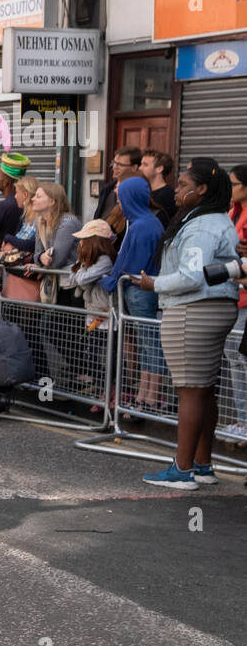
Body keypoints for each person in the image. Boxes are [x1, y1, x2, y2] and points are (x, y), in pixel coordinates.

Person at [133, 159, 238, 489]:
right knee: (204, 390)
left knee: (190, 391)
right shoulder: (216, 220)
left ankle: (182, 470)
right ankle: (202, 465)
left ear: (202, 189)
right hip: (213, 307)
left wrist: (155, 285)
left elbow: (192, 276)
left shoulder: (202, 225)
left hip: (194, 309)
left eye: (181, 185)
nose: (175, 191)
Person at [100, 177, 165, 413]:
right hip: (137, 290)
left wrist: (108, 279)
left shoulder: (143, 225)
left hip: (139, 291)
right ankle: (144, 394)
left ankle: (150, 395)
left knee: (149, 343)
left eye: (121, 196)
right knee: (147, 343)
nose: (119, 200)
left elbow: (132, 264)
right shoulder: (143, 222)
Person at [62, 220, 117, 411]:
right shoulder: (87, 261)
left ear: (94, 242)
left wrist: (81, 271)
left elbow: (80, 278)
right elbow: (71, 275)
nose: (80, 244)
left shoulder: (104, 261)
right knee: (92, 354)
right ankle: (103, 391)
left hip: (106, 317)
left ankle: (110, 393)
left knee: (107, 357)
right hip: (92, 314)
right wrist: (81, 270)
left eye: (84, 240)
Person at [222, 165, 247, 442]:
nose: (230, 189)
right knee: (235, 359)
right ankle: (242, 420)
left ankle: (244, 421)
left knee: (240, 359)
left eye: (235, 184)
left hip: (244, 296)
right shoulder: (232, 211)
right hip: (232, 294)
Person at [30, 182, 82, 303]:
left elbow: (56, 261)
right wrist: (41, 257)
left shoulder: (68, 223)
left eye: (38, 196)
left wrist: (41, 261)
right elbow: (37, 254)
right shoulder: (40, 222)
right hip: (54, 284)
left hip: (72, 286)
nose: (32, 199)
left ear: (52, 202)